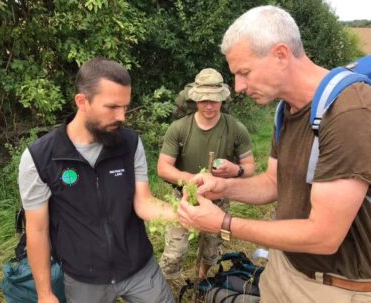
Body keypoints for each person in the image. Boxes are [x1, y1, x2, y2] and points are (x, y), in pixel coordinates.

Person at [177, 5, 371, 303]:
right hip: (284, 265)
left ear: (280, 55)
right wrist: (225, 186)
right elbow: (273, 182)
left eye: (244, 73)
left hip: (332, 288)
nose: (239, 87)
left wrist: (224, 224)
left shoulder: (347, 112)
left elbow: (324, 236)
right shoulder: (287, 109)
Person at [18, 58, 176, 303]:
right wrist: (45, 293)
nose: (122, 116)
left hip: (139, 267)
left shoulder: (130, 143)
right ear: (82, 101)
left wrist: (182, 211)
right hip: (83, 278)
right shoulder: (40, 158)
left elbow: (143, 202)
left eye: (125, 107)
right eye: (112, 107)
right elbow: (37, 230)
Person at [158, 68, 255, 279]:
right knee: (174, 253)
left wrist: (235, 169)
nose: (209, 105)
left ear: (222, 99)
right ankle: (164, 288)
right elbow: (163, 168)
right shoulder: (179, 128)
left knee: (211, 250)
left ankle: (203, 279)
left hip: (217, 199)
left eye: (214, 100)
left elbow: (250, 168)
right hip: (183, 197)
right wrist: (190, 181)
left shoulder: (236, 129)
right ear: (195, 99)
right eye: (203, 100)